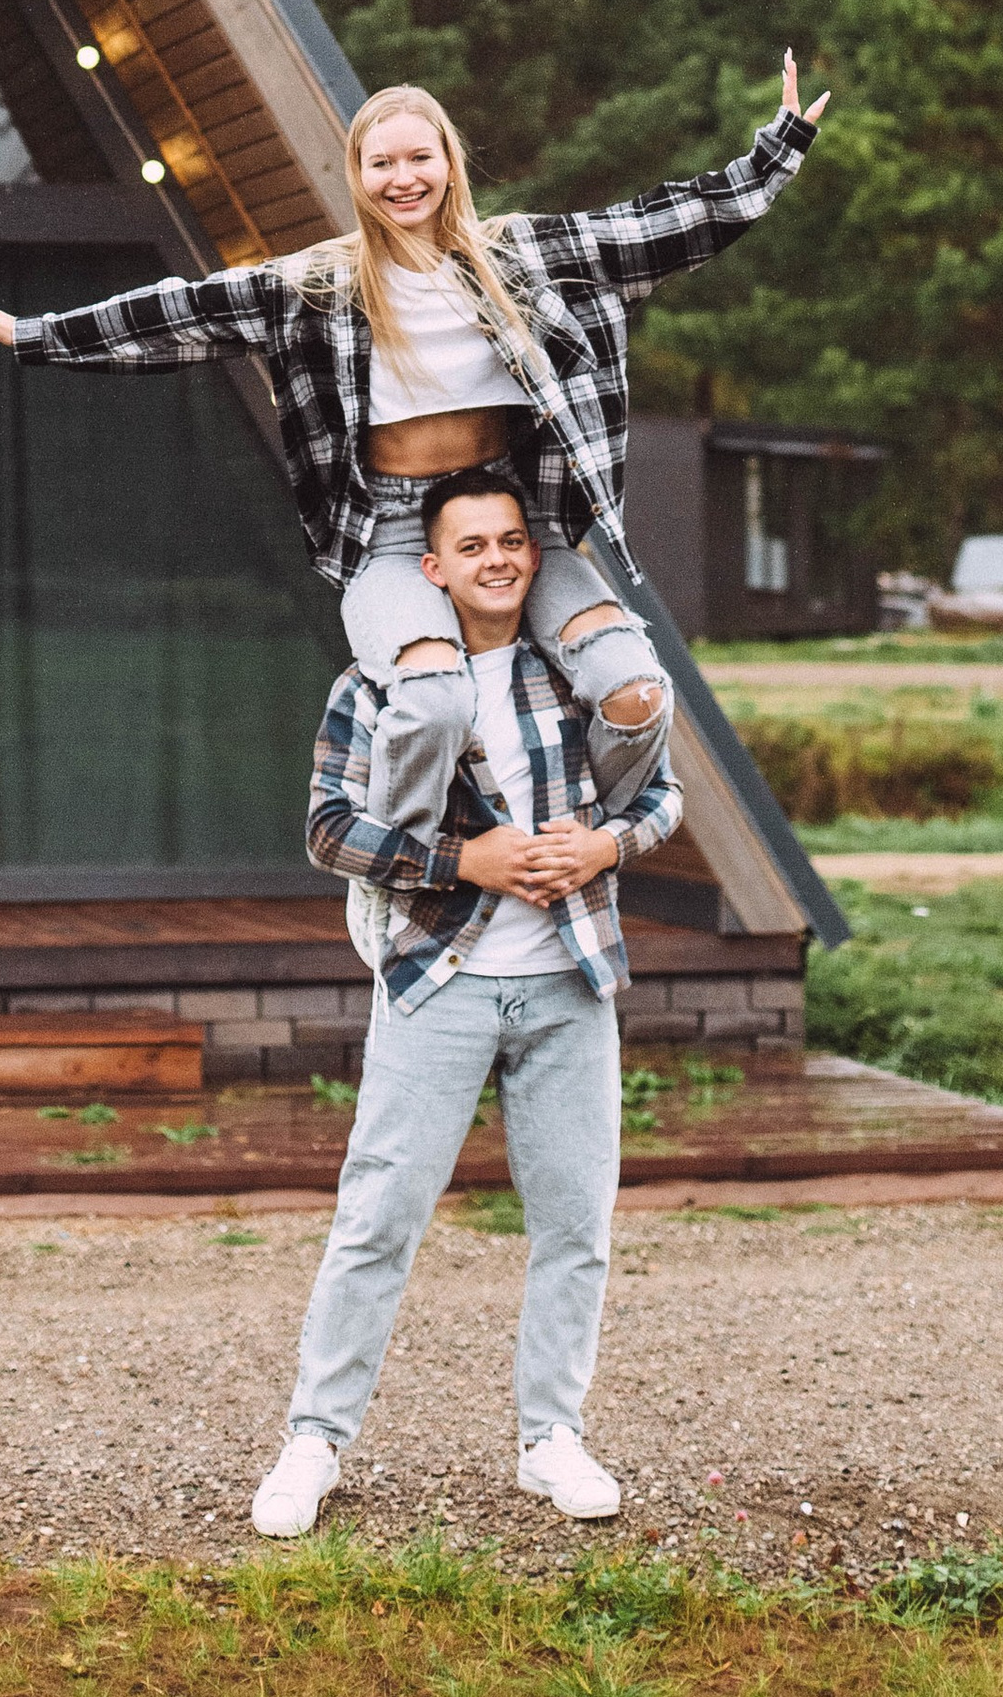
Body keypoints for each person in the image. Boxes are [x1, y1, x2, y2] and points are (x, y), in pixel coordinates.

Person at [0, 55, 829, 808]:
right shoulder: (320, 285)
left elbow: (662, 227)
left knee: (634, 689)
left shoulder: (524, 259)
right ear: (356, 175)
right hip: (395, 532)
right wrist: (35, 334)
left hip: (511, 521)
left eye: (420, 157)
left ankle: (596, 829)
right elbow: (185, 314)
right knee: (436, 702)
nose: (402, 178)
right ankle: (407, 853)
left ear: (450, 162)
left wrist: (777, 149)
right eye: (381, 164)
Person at [249, 473, 683, 1536]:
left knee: (575, 1224)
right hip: (434, 980)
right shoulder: (381, 685)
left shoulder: (578, 675)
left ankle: (552, 1440)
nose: (496, 559)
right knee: (377, 1222)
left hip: (569, 981)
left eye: (511, 542)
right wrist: (463, 860)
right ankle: (314, 1442)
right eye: (470, 545)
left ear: (532, 559)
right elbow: (328, 832)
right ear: (429, 568)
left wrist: (607, 842)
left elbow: (662, 798)